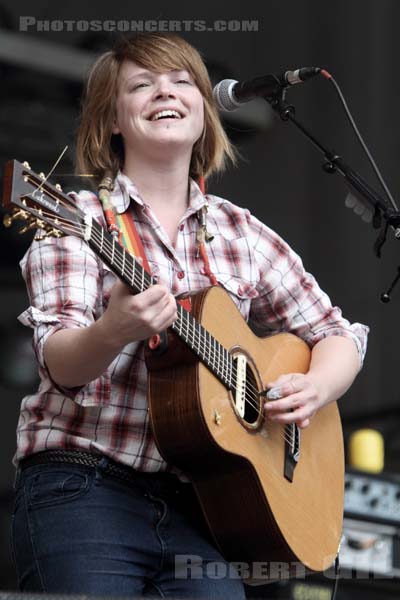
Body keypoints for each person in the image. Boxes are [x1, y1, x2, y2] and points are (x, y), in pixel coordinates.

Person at [11, 33, 368, 599]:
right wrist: (114, 330)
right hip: (85, 486)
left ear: (205, 112)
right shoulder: (77, 220)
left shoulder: (242, 233)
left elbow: (339, 335)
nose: (164, 91)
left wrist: (315, 388)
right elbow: (62, 363)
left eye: (182, 81)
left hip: (203, 505)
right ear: (112, 121)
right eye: (141, 84)